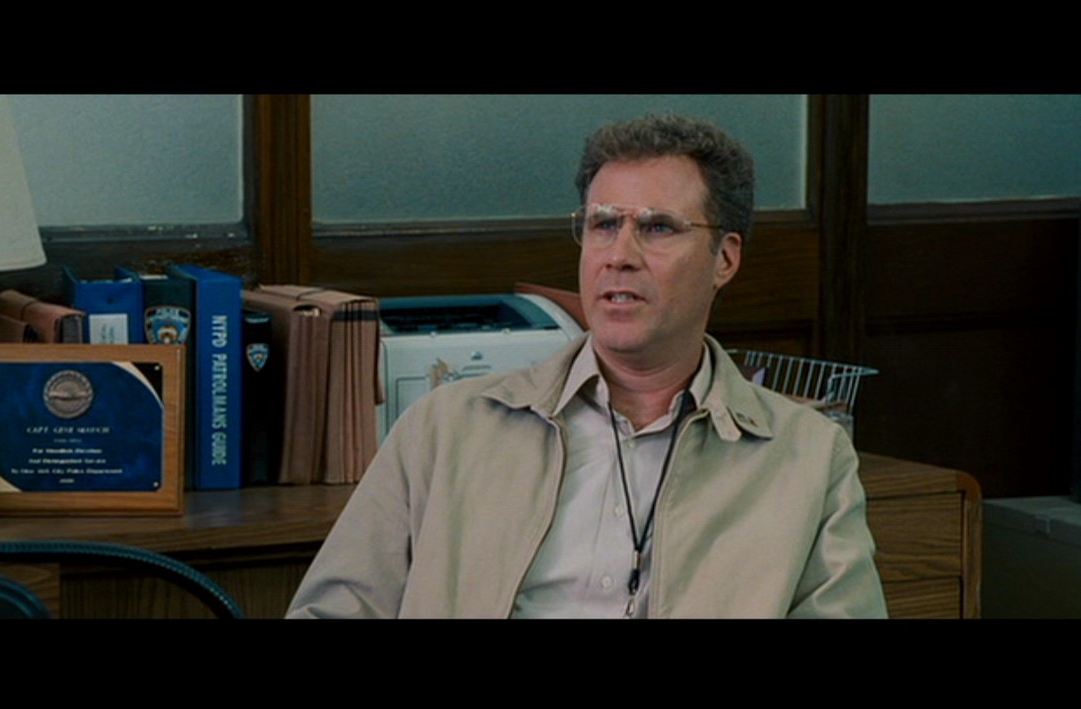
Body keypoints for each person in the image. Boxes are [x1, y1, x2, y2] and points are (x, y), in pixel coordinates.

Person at [287, 113, 887, 618]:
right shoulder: (447, 429)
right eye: (603, 224)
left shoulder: (807, 458)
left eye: (657, 227)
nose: (619, 255)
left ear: (724, 259)